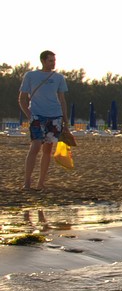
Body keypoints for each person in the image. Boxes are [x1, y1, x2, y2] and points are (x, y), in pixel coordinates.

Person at [19, 50, 69, 191]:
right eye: (50, 60)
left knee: (47, 150)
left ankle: (41, 183)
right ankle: (27, 183)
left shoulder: (59, 78)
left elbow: (62, 100)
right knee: (35, 146)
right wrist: (30, 115)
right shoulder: (30, 76)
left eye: (54, 60)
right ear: (43, 61)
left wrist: (65, 121)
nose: (53, 63)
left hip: (55, 116)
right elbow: (22, 98)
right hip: (37, 115)